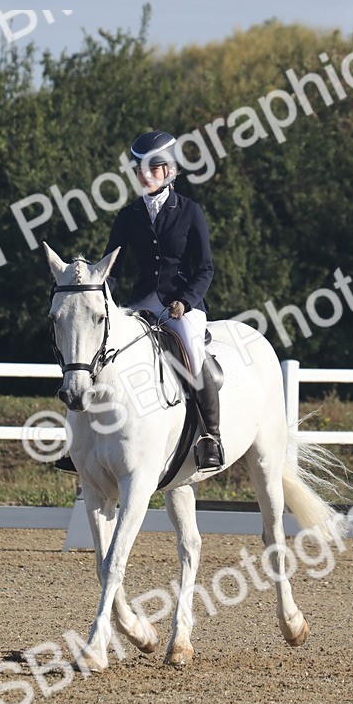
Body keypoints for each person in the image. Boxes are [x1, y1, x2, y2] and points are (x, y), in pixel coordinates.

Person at [103, 130, 225, 470]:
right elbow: (111, 267)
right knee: (101, 351)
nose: (145, 176)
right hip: (142, 302)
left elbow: (204, 268)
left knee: (192, 349)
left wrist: (185, 301)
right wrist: (103, 300)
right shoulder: (127, 216)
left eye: (153, 169)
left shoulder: (190, 212)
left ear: (170, 170)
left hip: (182, 304)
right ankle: (87, 442)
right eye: (139, 170)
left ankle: (210, 437)